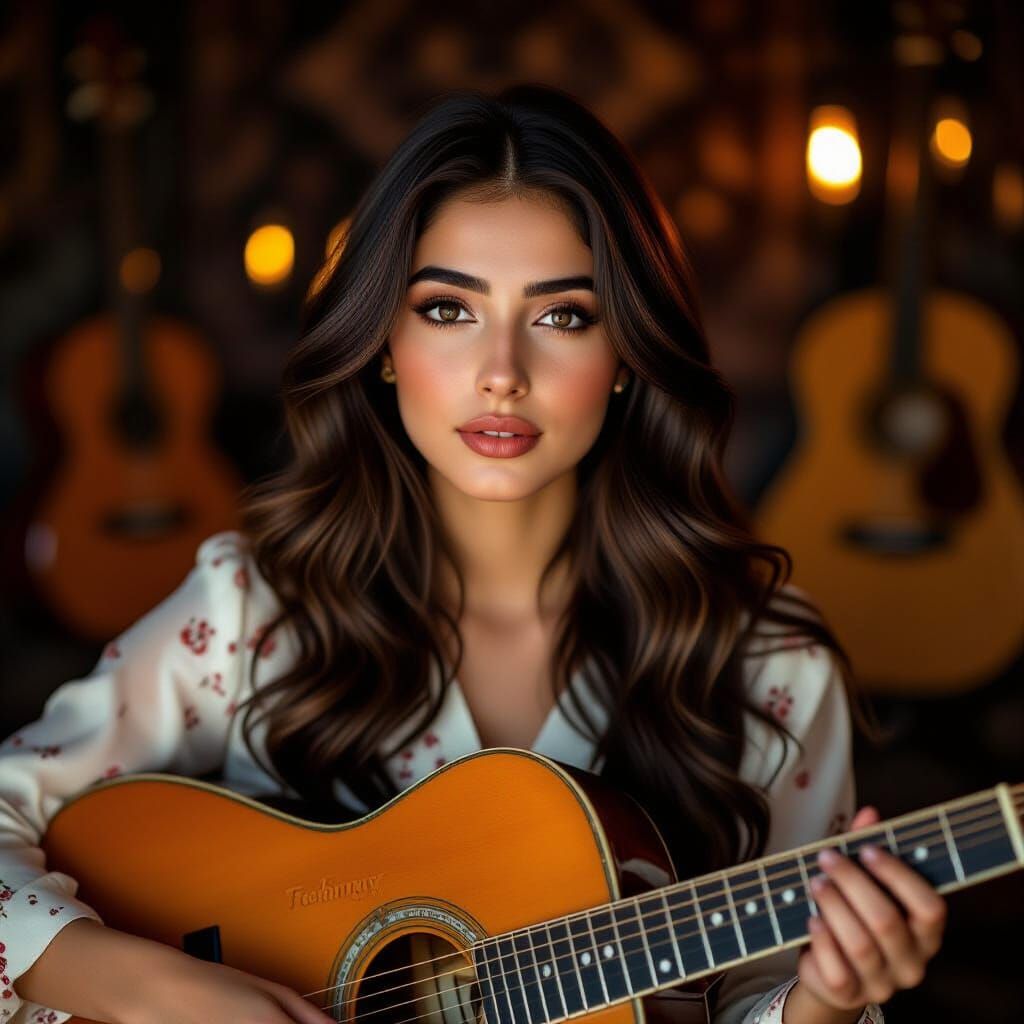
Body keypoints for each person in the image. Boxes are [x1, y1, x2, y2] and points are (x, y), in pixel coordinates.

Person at [0, 84, 946, 1024]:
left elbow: (758, 1000)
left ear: (625, 355)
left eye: (562, 315)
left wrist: (826, 996)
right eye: (449, 310)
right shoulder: (254, 614)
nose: (502, 371)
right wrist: (156, 990)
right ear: (380, 342)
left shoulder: (768, 664)